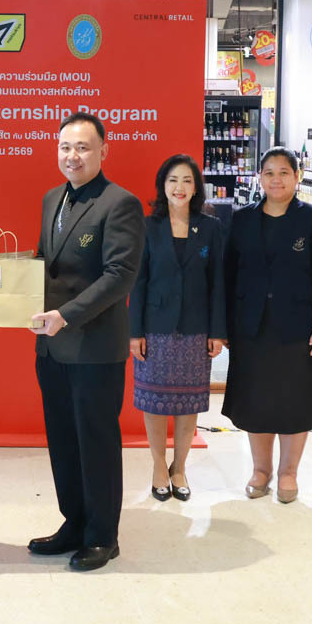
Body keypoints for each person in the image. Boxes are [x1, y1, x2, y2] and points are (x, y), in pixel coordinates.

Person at [29, 112, 144, 572]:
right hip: (51, 347)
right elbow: (44, 263)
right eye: (65, 147)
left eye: (82, 147)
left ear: (103, 151)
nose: (72, 156)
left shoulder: (120, 203)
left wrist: (65, 315)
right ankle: (73, 523)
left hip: (94, 349)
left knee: (96, 442)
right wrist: (14, 298)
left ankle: (102, 536)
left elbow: (120, 276)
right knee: (62, 441)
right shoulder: (51, 198)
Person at [220, 148, 312, 503]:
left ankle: (289, 472)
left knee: (294, 400)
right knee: (255, 399)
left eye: (284, 172)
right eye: (269, 172)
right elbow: (228, 276)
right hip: (251, 326)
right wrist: (224, 325)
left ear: (297, 177)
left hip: (299, 327)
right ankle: (261, 470)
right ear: (259, 177)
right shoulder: (242, 220)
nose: (276, 179)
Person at [127, 154, 227, 501]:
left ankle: (179, 467)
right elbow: (138, 282)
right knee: (153, 403)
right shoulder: (147, 226)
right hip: (155, 329)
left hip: (196, 330)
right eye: (173, 180)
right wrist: (134, 333)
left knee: (189, 404)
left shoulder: (210, 227)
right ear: (163, 185)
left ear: (196, 187)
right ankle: (158, 465)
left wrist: (217, 331)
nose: (179, 187)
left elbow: (218, 283)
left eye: (187, 180)